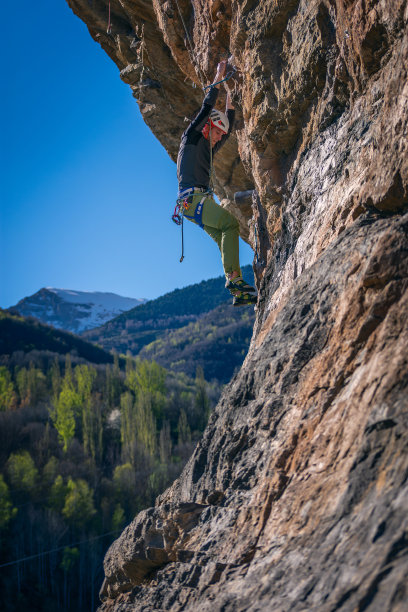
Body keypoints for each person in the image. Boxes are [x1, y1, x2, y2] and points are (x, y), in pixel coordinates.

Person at [176, 60, 257, 306]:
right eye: (218, 132)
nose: (221, 137)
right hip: (194, 200)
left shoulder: (209, 147)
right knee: (231, 225)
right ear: (209, 127)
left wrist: (231, 96)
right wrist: (219, 76)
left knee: (225, 234)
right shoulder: (190, 138)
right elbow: (206, 107)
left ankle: (237, 289)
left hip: (192, 204)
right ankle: (234, 281)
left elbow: (229, 129)